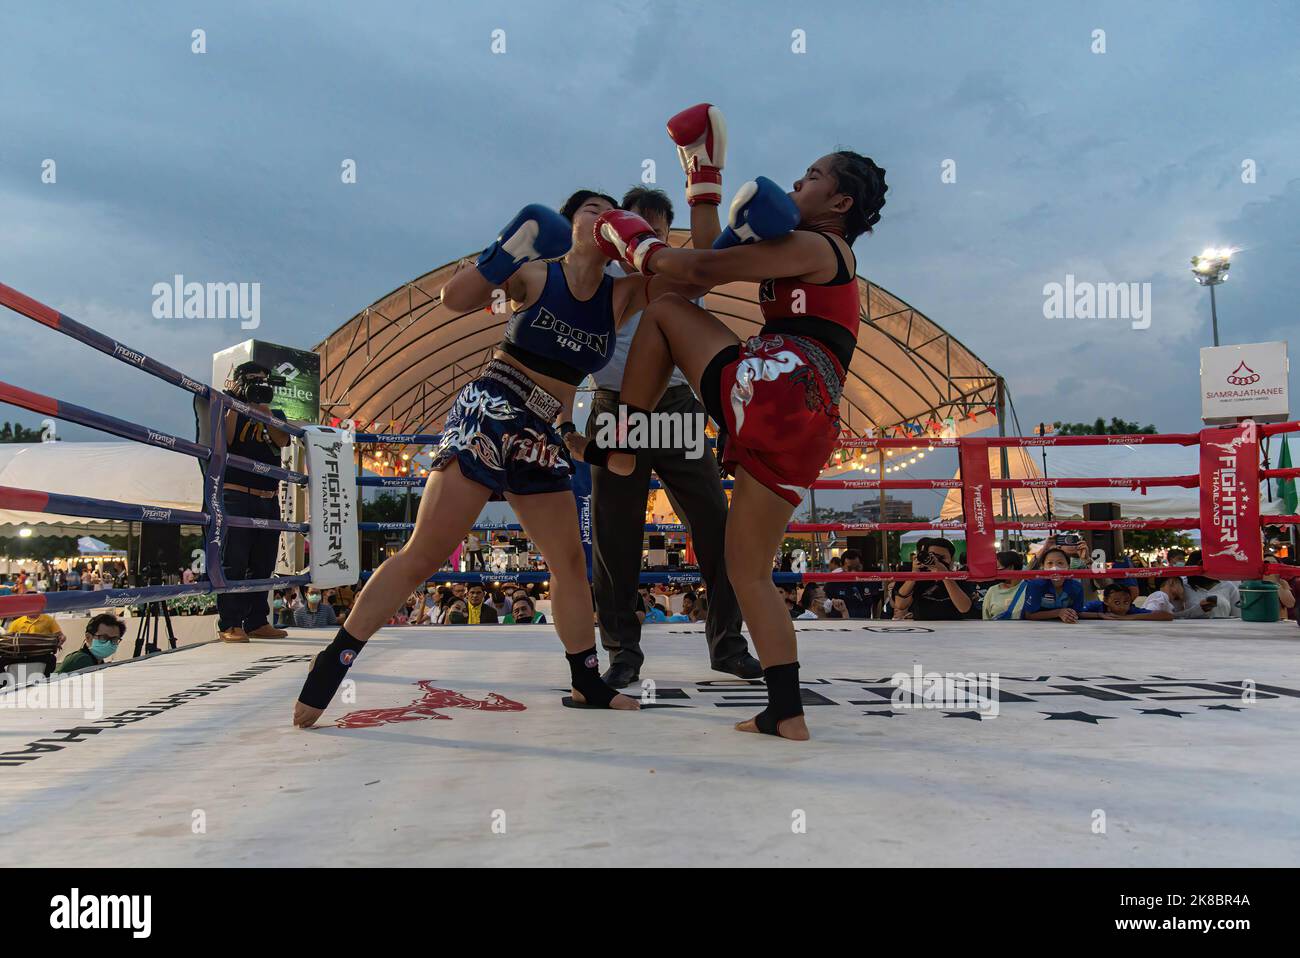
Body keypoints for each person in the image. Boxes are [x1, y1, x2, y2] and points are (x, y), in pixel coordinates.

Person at [295, 184, 711, 725]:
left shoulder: (621, 295)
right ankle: (336, 658)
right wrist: (508, 249)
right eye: (593, 209)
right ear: (567, 224)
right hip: (492, 408)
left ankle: (586, 680)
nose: (604, 216)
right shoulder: (537, 274)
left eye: (612, 213)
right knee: (425, 553)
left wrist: (688, 204)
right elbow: (456, 299)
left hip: (541, 431)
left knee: (568, 565)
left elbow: (697, 275)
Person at [565, 107, 887, 740]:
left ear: (840, 200)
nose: (797, 182)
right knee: (748, 570)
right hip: (807, 420)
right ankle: (785, 711)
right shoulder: (802, 247)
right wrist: (704, 187)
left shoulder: (819, 244)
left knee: (663, 312)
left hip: (777, 385)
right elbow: (714, 257)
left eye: (812, 176)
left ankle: (624, 444)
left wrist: (636, 243)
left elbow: (698, 273)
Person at [584, 185, 759, 688]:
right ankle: (621, 652)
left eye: (660, 230)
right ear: (618, 229)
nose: (650, 237)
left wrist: (704, 185)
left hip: (678, 403)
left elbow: (709, 246)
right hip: (615, 405)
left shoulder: (677, 269)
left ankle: (728, 644)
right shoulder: (600, 277)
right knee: (616, 535)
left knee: (715, 522)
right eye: (641, 226)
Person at [215, 362, 291, 643]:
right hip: (237, 493)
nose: (259, 385)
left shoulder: (275, 412)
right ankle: (229, 623)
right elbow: (227, 438)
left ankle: (257, 620)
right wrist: (239, 403)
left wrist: (264, 411)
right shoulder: (227, 406)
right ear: (239, 382)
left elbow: (282, 439)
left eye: (263, 380)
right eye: (253, 381)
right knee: (234, 560)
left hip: (268, 496)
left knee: (263, 562)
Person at [892, 538, 974, 620]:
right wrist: (914, 575)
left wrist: (945, 575)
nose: (937, 560)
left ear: (952, 560)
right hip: (923, 627)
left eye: (942, 557)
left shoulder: (960, 577)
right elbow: (900, 605)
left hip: (954, 627)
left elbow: (964, 608)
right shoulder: (918, 576)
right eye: (933, 556)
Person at [999, 547, 1086, 621]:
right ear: (1043, 567)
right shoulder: (1035, 585)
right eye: (1049, 563)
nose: (1055, 567)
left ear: (1068, 566)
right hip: (1036, 631)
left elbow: (1078, 613)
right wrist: (1058, 612)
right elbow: (1029, 615)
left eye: (1060, 563)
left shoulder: (1076, 587)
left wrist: (1098, 615)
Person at [55, 614, 125, 674]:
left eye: (114, 639)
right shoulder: (81, 660)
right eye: (103, 638)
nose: (109, 643)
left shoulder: (97, 661)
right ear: (88, 637)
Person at [1081, 584, 1173, 620]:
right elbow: (1077, 613)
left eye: (1126, 602)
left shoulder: (1131, 610)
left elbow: (1167, 616)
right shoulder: (1096, 606)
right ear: (1106, 601)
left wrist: (1128, 617)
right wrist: (1099, 615)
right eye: (1117, 602)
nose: (1122, 606)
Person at [982, 550, 1025, 620]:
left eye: (998, 568)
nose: (995, 572)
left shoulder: (1028, 588)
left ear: (1011, 567)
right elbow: (986, 618)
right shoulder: (992, 591)